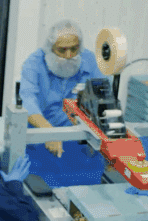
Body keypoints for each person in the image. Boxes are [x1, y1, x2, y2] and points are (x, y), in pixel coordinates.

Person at [19, 19, 107, 184]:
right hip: (42, 147)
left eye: (74, 49)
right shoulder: (35, 63)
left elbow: (103, 101)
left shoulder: (90, 61)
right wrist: (49, 132)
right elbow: (28, 101)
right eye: (62, 50)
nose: (69, 56)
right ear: (50, 48)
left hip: (80, 148)